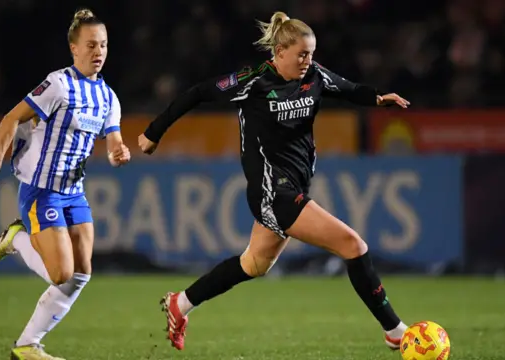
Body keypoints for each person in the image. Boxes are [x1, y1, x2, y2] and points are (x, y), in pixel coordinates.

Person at [138, 11, 411, 352]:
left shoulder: (314, 75)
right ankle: (395, 331)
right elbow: (198, 92)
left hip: (295, 186)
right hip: (272, 192)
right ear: (279, 52)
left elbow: (349, 89)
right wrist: (154, 132)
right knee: (353, 245)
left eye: (310, 53)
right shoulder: (253, 81)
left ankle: (180, 304)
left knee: (253, 264)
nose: (307, 60)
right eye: (301, 54)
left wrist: (377, 97)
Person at [0, 8, 130, 360]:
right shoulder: (57, 85)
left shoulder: (108, 98)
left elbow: (114, 138)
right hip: (41, 191)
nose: (98, 52)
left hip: (74, 193)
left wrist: (119, 150)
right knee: (62, 273)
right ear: (73, 48)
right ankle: (16, 238)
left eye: (103, 45)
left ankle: (27, 345)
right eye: (90, 45)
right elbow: (12, 118)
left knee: (81, 274)